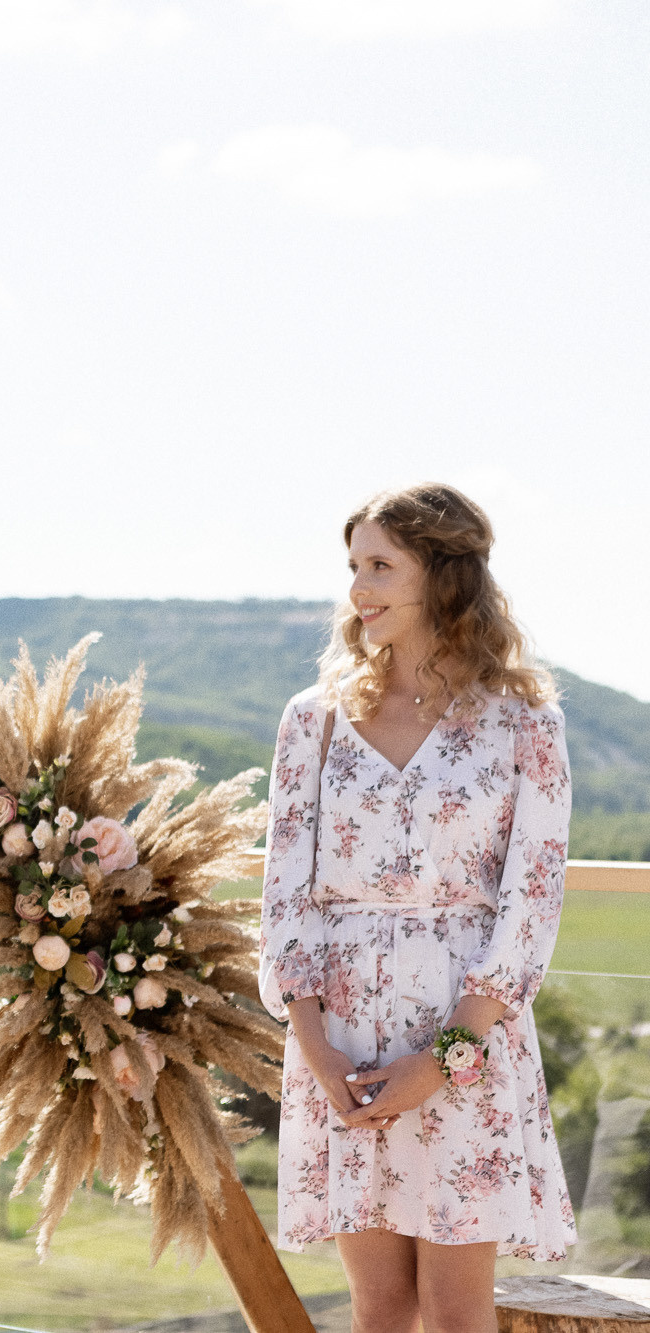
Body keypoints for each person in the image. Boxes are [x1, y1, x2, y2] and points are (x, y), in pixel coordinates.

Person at [259, 483, 576, 1332]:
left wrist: (445, 1057)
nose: (358, 590)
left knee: (456, 1310)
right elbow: (284, 896)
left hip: (466, 1031)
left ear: (443, 575)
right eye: (354, 566)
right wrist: (317, 1048)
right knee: (382, 1306)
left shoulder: (523, 724)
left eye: (380, 567)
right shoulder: (311, 721)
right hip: (343, 1035)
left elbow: (531, 903)